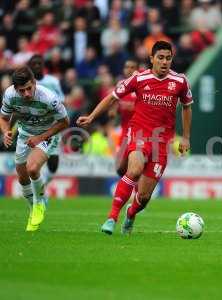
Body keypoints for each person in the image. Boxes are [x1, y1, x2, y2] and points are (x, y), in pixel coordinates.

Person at [77, 41, 193, 235]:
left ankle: (130, 214)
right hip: (138, 134)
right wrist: (91, 116)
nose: (165, 62)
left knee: (144, 196)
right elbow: (112, 97)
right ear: (151, 59)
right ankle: (111, 218)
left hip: (162, 142)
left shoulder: (180, 81)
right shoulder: (138, 79)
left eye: (168, 58)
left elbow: (187, 107)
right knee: (134, 169)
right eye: (160, 57)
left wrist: (186, 138)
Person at [0, 66, 69, 231]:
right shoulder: (10, 95)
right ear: (16, 89)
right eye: (22, 91)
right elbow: (3, 118)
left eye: (29, 89)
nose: (27, 94)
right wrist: (6, 131)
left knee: (32, 168)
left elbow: (65, 122)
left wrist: (40, 137)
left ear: (34, 83)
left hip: (47, 134)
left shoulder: (49, 98)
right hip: (24, 135)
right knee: (22, 175)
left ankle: (39, 204)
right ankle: (33, 207)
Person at [28, 54, 65, 186]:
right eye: (34, 64)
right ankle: (36, 192)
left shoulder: (53, 81)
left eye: (40, 64)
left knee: (53, 165)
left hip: (52, 126)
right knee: (33, 163)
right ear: (30, 67)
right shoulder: (27, 84)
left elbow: (62, 100)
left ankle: (42, 187)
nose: (37, 66)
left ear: (44, 66)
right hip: (33, 127)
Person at [109, 58, 139, 176]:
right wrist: (113, 110)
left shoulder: (141, 85)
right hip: (124, 133)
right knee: (120, 168)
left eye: (132, 67)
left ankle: (137, 191)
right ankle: (129, 189)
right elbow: (114, 108)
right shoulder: (120, 85)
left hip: (139, 132)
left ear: (137, 70)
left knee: (136, 166)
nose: (129, 70)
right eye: (127, 67)